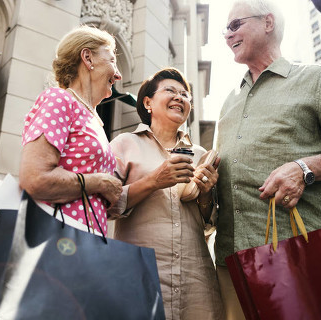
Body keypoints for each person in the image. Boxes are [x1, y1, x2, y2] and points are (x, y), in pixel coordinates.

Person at [214, 1, 321, 319]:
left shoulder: (317, 79)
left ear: (268, 22)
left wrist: (304, 168)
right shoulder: (227, 104)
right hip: (231, 262)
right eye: (226, 29)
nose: (227, 35)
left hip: (299, 257)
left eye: (235, 25)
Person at [108, 68, 225, 320]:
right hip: (138, 276)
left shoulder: (200, 153)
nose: (179, 98)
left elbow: (208, 226)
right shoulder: (123, 145)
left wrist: (205, 195)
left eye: (185, 94)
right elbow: (105, 206)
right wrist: (153, 181)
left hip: (196, 281)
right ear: (148, 102)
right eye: (170, 91)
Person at [19, 25, 123, 235]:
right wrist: (100, 182)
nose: (118, 75)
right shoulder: (60, 99)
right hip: (56, 241)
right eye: (112, 61)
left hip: (84, 244)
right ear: (87, 58)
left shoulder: (93, 118)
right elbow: (35, 179)